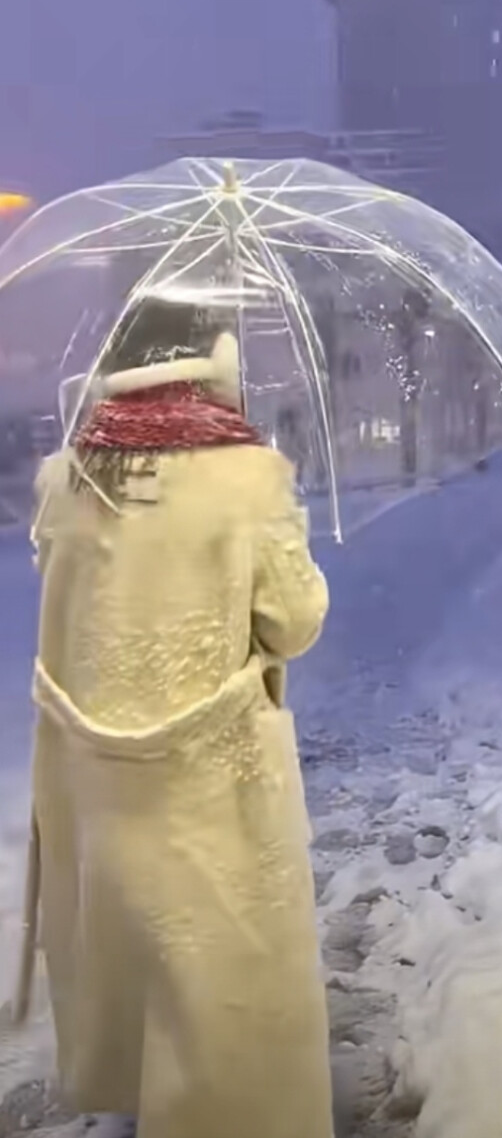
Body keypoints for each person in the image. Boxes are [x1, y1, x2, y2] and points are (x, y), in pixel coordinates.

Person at [20, 296, 334, 1138]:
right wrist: (285, 522)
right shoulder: (248, 474)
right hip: (215, 774)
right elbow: (293, 622)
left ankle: (138, 1094)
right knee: (223, 973)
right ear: (216, 365)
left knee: (136, 956)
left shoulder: (71, 475)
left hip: (98, 774)